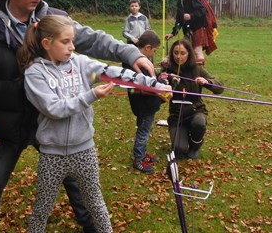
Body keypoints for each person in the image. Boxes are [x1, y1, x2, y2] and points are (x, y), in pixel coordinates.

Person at [0, 0, 155, 233]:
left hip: (54, 123)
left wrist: (129, 52)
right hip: (3, 126)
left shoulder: (52, 20)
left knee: (81, 188)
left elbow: (93, 39)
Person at [18, 15, 169, 232]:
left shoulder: (80, 63)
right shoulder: (35, 72)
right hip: (52, 154)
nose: (72, 47)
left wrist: (153, 83)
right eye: (65, 42)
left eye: (73, 41)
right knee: (42, 209)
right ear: (46, 43)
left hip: (84, 150)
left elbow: (115, 73)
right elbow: (54, 109)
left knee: (97, 205)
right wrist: (91, 96)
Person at [160, 38, 224, 159]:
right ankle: (183, 136)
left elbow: (220, 88)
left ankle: (195, 145)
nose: (178, 57)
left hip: (196, 111)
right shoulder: (167, 70)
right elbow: (157, 83)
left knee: (199, 123)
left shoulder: (197, 69)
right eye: (175, 53)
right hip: (177, 116)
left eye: (182, 53)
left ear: (189, 54)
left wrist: (207, 82)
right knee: (180, 150)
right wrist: (166, 79)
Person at [122, 30, 167, 173]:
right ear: (147, 47)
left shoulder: (137, 59)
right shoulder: (136, 63)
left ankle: (143, 154)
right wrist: (161, 81)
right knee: (143, 131)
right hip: (144, 105)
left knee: (146, 129)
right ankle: (138, 159)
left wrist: (160, 75)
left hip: (147, 104)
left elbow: (151, 76)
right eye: (154, 50)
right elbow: (146, 83)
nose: (154, 53)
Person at [165, 0, 217, 65]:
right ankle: (192, 71)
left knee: (197, 50)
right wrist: (173, 33)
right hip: (188, 30)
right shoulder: (180, 1)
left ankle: (201, 72)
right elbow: (179, 19)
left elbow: (202, 10)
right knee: (186, 50)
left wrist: (191, 16)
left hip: (198, 27)